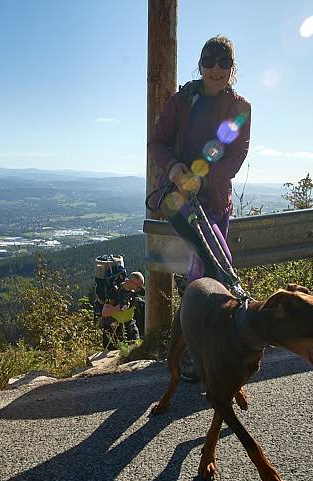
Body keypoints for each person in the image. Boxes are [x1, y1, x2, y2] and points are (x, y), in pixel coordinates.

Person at [147, 35, 251, 380]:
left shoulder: (239, 108)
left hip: (216, 202)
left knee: (208, 272)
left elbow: (235, 156)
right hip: (180, 201)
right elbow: (157, 142)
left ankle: (191, 351)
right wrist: (176, 169)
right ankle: (194, 352)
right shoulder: (181, 102)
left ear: (232, 67)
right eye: (209, 61)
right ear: (200, 64)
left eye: (223, 62)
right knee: (211, 269)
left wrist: (202, 180)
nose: (216, 69)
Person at [100, 271, 144, 351]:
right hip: (112, 327)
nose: (139, 289)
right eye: (138, 287)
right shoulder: (114, 291)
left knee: (136, 347)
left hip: (128, 325)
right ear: (130, 281)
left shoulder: (134, 292)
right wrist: (119, 308)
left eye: (140, 287)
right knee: (112, 353)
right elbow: (104, 312)